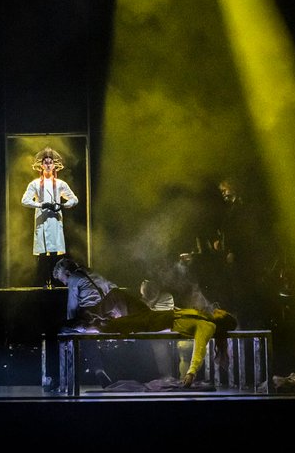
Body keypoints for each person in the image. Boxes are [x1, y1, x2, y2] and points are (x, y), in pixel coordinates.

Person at [99, 305, 239, 388]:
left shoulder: (208, 326)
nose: (219, 310)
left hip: (163, 320)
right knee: (131, 318)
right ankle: (103, 323)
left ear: (222, 320)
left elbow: (200, 349)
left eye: (222, 313)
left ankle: (101, 325)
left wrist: (191, 372)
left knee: (130, 322)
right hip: (164, 315)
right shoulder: (206, 318)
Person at [21, 147, 79, 288]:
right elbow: (25, 200)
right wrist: (41, 204)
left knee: (53, 254)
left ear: (54, 165)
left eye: (50, 162)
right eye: (45, 162)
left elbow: (74, 199)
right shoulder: (34, 184)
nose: (47, 164)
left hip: (54, 221)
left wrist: (62, 205)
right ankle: (42, 282)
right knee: (42, 255)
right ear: (41, 165)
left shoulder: (60, 184)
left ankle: (53, 282)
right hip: (41, 221)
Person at [52, 257, 144, 329]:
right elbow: (112, 287)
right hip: (102, 311)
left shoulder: (73, 277)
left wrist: (71, 326)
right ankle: (137, 319)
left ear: (68, 273)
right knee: (117, 294)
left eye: (64, 281)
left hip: (90, 313)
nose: (65, 284)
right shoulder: (92, 272)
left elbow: (72, 307)